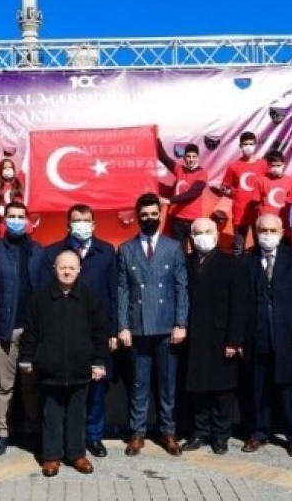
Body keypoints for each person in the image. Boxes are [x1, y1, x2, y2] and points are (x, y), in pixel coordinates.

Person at [19, 250, 109, 477]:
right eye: (62, 267)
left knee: (78, 414)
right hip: (50, 369)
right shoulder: (40, 299)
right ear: (54, 269)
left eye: (72, 267)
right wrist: (28, 358)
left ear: (79, 270)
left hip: (80, 368)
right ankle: (51, 456)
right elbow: (30, 332)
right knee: (52, 414)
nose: (67, 271)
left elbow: (99, 333)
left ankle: (76, 454)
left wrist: (99, 362)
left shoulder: (90, 297)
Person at [43, 204, 119, 458]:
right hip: (62, 331)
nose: (81, 225)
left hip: (96, 332)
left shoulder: (107, 252)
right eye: (76, 220)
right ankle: (64, 439)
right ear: (68, 224)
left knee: (96, 387)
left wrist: (113, 331)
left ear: (94, 225)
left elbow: (115, 294)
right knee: (63, 391)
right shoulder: (53, 252)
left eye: (86, 220)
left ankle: (94, 436)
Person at [116, 192, 189, 457]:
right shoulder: (126, 249)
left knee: (167, 383)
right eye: (144, 215)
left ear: (160, 215)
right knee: (138, 382)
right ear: (137, 218)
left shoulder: (173, 247)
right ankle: (137, 432)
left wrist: (181, 322)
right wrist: (122, 325)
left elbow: (182, 287)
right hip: (137, 327)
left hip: (167, 326)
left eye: (153, 214)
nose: (148, 219)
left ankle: (168, 432)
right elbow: (122, 290)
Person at [239, 213, 292, 456]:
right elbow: (240, 304)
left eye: (272, 230)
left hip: (288, 335)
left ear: (282, 233)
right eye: (263, 231)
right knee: (259, 387)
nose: (267, 235)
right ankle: (260, 432)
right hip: (256, 334)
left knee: (290, 387)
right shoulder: (246, 261)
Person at [181, 218, 245, 455]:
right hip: (193, 333)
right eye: (198, 233)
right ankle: (199, 432)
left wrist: (234, 340)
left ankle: (221, 435)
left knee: (222, 388)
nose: (203, 236)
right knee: (197, 386)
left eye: (207, 232)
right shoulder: (185, 262)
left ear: (217, 235)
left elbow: (239, 305)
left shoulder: (231, 263)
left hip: (221, 335)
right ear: (191, 237)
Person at [0, 202, 46, 455]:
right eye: (11, 216)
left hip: (33, 330)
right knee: (3, 385)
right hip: (5, 329)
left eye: (20, 216)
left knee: (31, 384)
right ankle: (1, 432)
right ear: (4, 221)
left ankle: (33, 430)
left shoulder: (39, 251)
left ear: (28, 221)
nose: (15, 220)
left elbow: (45, 290)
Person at [221, 132, 268, 256]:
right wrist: (225, 190)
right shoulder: (233, 166)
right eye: (245, 144)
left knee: (261, 247)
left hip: (258, 213)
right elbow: (224, 186)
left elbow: (270, 186)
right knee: (238, 249)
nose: (248, 146)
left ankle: (260, 273)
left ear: (255, 145)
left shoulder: (263, 165)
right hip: (239, 213)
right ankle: (238, 274)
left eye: (251, 144)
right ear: (240, 145)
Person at [157, 140, 209, 247]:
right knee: (179, 251)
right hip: (177, 219)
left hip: (194, 220)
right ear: (184, 158)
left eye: (194, 156)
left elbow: (191, 194)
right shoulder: (179, 169)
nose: (191, 159)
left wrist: (170, 200)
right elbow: (163, 157)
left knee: (198, 251)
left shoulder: (202, 174)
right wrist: (156, 138)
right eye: (188, 156)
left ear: (198, 158)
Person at [0, 158, 26, 241]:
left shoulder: (19, 185)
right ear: (1, 171)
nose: (8, 170)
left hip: (19, 222)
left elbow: (23, 202)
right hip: (4, 224)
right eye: (5, 168)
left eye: (10, 168)